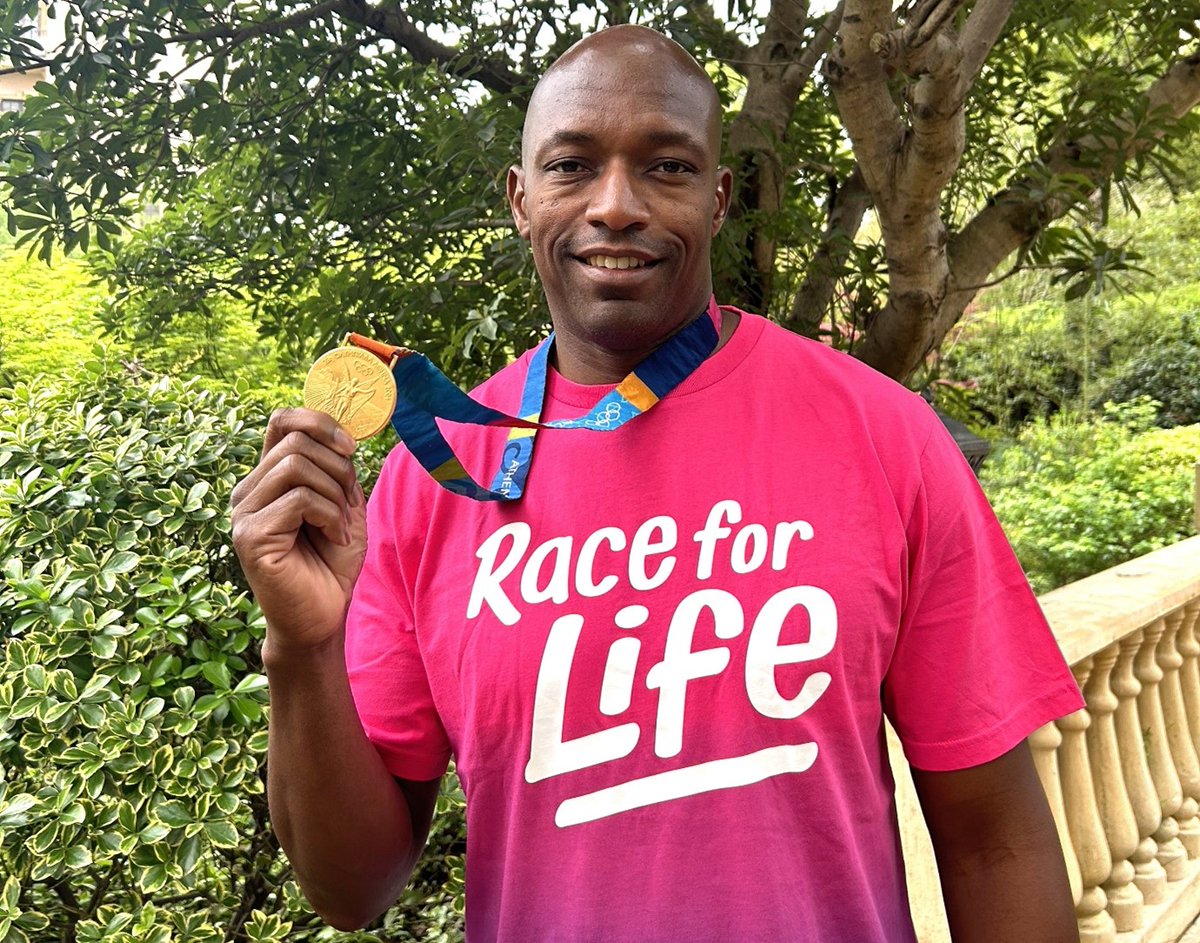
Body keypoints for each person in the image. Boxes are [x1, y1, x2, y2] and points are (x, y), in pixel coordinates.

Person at [231, 24, 1084, 942]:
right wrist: (301, 646)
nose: (615, 206)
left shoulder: (883, 435)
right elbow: (353, 890)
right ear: (522, 200)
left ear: (717, 201)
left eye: (667, 167)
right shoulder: (433, 477)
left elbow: (996, 839)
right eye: (571, 165)